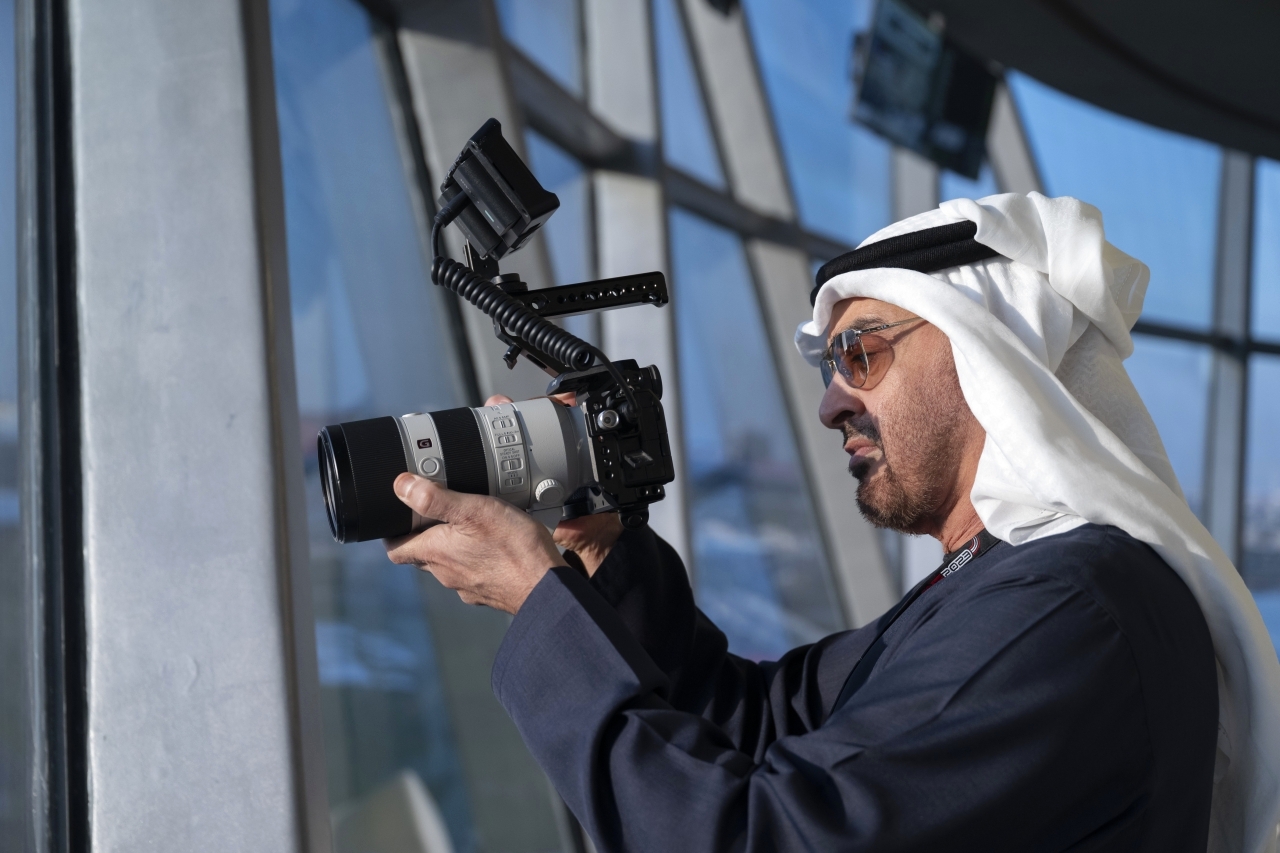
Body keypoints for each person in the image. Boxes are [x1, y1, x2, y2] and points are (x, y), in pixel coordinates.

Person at [384, 194, 1280, 852]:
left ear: (989, 351)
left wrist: (538, 601)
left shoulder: (1071, 613)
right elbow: (764, 721)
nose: (830, 404)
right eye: (830, 366)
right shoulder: (1007, 583)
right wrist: (600, 559)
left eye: (862, 354)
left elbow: (759, 836)